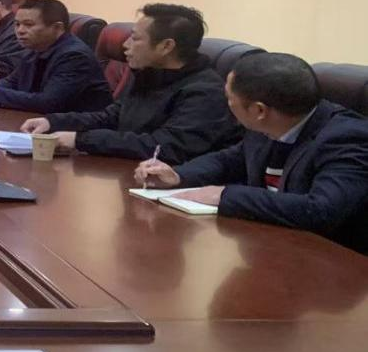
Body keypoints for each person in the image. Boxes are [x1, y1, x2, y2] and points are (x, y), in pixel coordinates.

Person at [135, 52, 368, 254]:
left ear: (259, 110)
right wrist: (178, 176)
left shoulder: (347, 138)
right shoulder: (270, 123)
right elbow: (230, 159)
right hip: (271, 245)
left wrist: (224, 195)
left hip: (329, 264)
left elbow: (321, 211)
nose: (226, 104)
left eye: (229, 98)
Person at [21, 4, 241, 163]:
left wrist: (81, 140)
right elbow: (110, 116)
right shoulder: (149, 74)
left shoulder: (204, 91)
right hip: (127, 172)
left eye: (135, 38)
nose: (125, 45)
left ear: (166, 46)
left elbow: (165, 146)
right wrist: (53, 122)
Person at [0, 0, 112, 113]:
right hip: (37, 123)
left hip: (74, 133)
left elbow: (48, 103)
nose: (20, 31)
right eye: (17, 24)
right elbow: (12, 83)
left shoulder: (74, 56)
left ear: (57, 28)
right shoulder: (34, 49)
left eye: (28, 24)